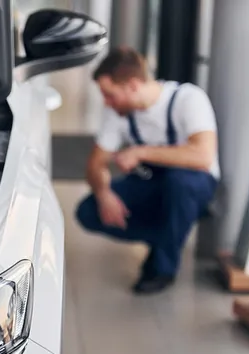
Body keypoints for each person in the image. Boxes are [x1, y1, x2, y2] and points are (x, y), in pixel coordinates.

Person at [75, 47, 219, 295]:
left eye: (110, 95)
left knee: (179, 184)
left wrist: (140, 152)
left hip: (194, 182)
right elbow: (95, 164)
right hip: (152, 182)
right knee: (88, 211)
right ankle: (168, 235)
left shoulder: (188, 99)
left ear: (132, 85)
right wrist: (104, 194)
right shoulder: (119, 113)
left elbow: (203, 156)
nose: (107, 103)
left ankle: (163, 268)